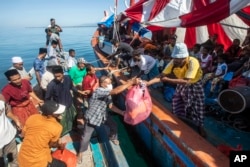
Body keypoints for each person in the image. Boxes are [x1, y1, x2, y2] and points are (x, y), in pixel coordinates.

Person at [77, 76, 140, 164]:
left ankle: (112, 137)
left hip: (103, 114)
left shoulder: (107, 94)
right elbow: (116, 91)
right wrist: (131, 82)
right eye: (108, 83)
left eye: (110, 83)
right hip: (93, 116)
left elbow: (110, 106)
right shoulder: (99, 91)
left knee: (113, 125)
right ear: (102, 84)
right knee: (86, 136)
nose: (110, 85)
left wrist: (122, 112)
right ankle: (80, 153)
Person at [147, 42, 205, 136]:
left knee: (198, 105)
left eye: (178, 59)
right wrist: (148, 83)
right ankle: (178, 118)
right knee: (177, 101)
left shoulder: (192, 62)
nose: (176, 61)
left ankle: (200, 126)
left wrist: (167, 79)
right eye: (175, 58)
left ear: (184, 57)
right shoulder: (173, 62)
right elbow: (161, 76)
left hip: (194, 84)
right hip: (180, 83)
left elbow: (186, 81)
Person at [18, 100, 67, 167]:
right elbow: (52, 145)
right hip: (37, 162)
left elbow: (24, 134)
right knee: (63, 165)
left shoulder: (32, 117)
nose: (60, 114)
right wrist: (60, 145)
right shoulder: (57, 127)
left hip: (22, 158)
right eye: (58, 113)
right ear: (50, 115)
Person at [45, 65, 86, 136]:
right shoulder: (51, 85)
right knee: (61, 122)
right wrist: (53, 110)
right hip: (59, 106)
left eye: (59, 76)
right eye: (55, 77)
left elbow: (71, 87)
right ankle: (61, 134)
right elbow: (47, 98)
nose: (57, 78)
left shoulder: (68, 78)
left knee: (73, 117)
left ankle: (74, 128)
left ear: (63, 73)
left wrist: (79, 92)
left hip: (69, 102)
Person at [0, 94, 21, 167]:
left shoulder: (0, 97)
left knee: (15, 161)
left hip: (9, 136)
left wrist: (16, 120)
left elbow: (7, 112)